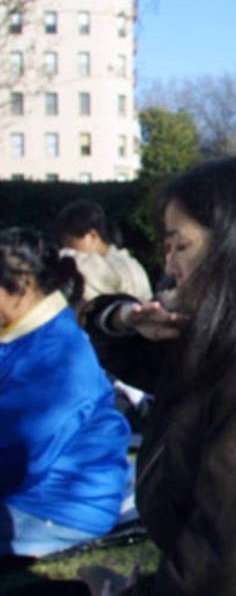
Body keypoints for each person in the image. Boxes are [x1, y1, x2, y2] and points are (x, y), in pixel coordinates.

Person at [79, 157, 236, 595]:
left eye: (182, 246)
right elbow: (117, 344)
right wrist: (124, 317)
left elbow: (228, 565)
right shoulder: (220, 345)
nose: (170, 266)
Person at [0, 228, 129, 558]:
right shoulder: (24, 337)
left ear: (23, 288)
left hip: (51, 509)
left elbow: (18, 459)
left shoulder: (59, 355)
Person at [53, 200, 153, 303]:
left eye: (69, 245)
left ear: (92, 236)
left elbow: (71, 261)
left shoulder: (111, 266)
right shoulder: (128, 262)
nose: (68, 250)